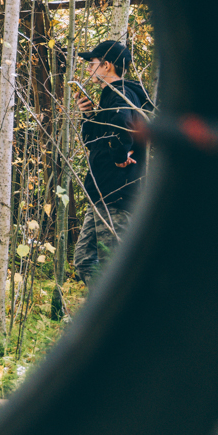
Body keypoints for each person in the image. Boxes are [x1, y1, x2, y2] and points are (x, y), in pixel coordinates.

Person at [72, 39, 152, 286]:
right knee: (85, 261)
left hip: (116, 194)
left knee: (113, 268)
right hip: (103, 193)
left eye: (92, 63)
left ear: (106, 65)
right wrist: (88, 115)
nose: (89, 69)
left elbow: (121, 127)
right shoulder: (113, 97)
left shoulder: (122, 94)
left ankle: (129, 321)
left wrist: (120, 157)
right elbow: (96, 142)